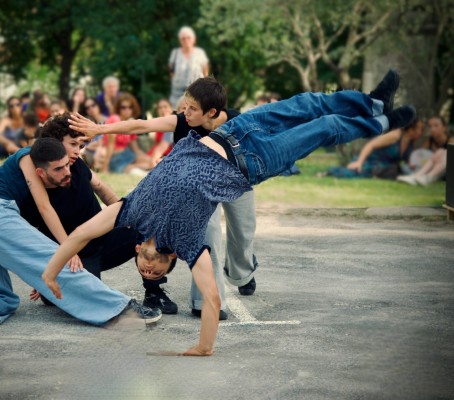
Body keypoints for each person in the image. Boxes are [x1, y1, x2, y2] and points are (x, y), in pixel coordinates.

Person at [44, 69, 415, 356]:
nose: (148, 270)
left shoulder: (130, 212)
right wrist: (204, 347)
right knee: (325, 127)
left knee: (306, 103)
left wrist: (50, 273)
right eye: (156, 272)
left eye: (146, 268)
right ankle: (382, 124)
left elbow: (79, 236)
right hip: (253, 162)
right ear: (172, 260)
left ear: (138, 249)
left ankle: (373, 103)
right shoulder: (188, 243)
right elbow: (212, 299)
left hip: (237, 130)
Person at [66, 77, 261, 320]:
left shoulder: (237, 122)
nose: (185, 112)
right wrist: (101, 128)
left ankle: (242, 272)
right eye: (185, 106)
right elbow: (141, 126)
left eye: (192, 109)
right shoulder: (183, 122)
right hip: (198, 187)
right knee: (207, 234)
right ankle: (204, 302)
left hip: (236, 178)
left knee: (243, 232)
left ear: (211, 112)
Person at [0, 136, 161, 331]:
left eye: (67, 164)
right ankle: (120, 309)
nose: (67, 170)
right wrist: (68, 249)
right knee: (57, 261)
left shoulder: (44, 163)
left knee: (0, 294)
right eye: (59, 168)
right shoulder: (28, 158)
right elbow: (44, 208)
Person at [20, 115, 139, 305]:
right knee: (76, 299)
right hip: (74, 255)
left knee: (147, 229)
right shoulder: (35, 183)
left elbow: (101, 188)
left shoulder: (77, 165)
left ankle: (155, 290)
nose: (78, 151)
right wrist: (53, 263)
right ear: (56, 143)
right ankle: (52, 286)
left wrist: (127, 217)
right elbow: (37, 227)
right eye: (73, 144)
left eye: (81, 146)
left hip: (101, 240)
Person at [325, 118, 424, 179]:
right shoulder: (396, 135)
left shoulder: (411, 143)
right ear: (411, 129)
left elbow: (406, 161)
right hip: (371, 161)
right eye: (420, 129)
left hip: (386, 167)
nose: (422, 132)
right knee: (354, 173)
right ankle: (328, 173)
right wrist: (359, 162)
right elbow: (370, 145)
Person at [101, 93, 151, 175]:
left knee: (150, 163)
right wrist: (105, 167)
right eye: (123, 107)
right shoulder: (115, 119)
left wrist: (148, 158)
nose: (127, 110)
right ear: (118, 108)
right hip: (115, 157)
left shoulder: (130, 123)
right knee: (138, 171)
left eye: (130, 107)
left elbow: (135, 149)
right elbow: (110, 144)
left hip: (128, 154)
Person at [397, 115, 451, 186]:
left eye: (436, 125)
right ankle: (416, 176)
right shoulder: (430, 141)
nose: (432, 129)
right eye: (430, 126)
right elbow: (418, 153)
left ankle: (428, 177)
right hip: (437, 168)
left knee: (445, 152)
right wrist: (412, 161)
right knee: (440, 151)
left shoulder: (451, 140)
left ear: (444, 127)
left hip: (448, 171)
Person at [169, 26, 209, 106]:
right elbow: (171, 71)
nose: (186, 40)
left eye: (188, 38)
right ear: (180, 40)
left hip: (196, 92)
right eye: (183, 38)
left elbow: (205, 73)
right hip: (177, 94)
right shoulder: (175, 53)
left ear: (193, 39)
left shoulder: (200, 53)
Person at [146, 98, 174, 168]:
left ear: (171, 108)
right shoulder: (159, 124)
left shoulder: (173, 124)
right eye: (160, 108)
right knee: (139, 159)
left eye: (165, 107)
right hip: (155, 153)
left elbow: (165, 145)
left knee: (144, 162)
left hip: (165, 154)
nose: (162, 110)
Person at [80, 97, 106, 169]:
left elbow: (105, 142)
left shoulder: (108, 120)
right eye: (87, 108)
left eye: (93, 105)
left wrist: (88, 146)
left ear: (98, 106)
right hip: (88, 152)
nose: (91, 108)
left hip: (103, 151)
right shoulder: (86, 123)